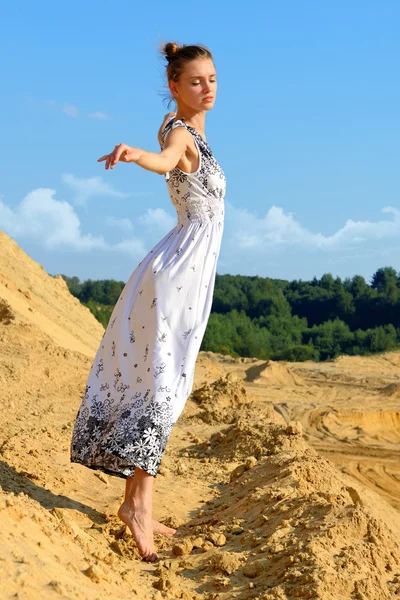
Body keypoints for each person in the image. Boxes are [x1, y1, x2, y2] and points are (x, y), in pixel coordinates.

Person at [70, 41, 226, 562]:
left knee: (168, 384)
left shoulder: (190, 128)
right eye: (196, 81)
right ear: (175, 87)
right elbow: (163, 160)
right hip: (179, 272)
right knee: (164, 385)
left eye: (212, 79)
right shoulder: (181, 133)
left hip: (187, 269)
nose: (207, 88)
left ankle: (139, 501)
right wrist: (134, 153)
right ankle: (136, 508)